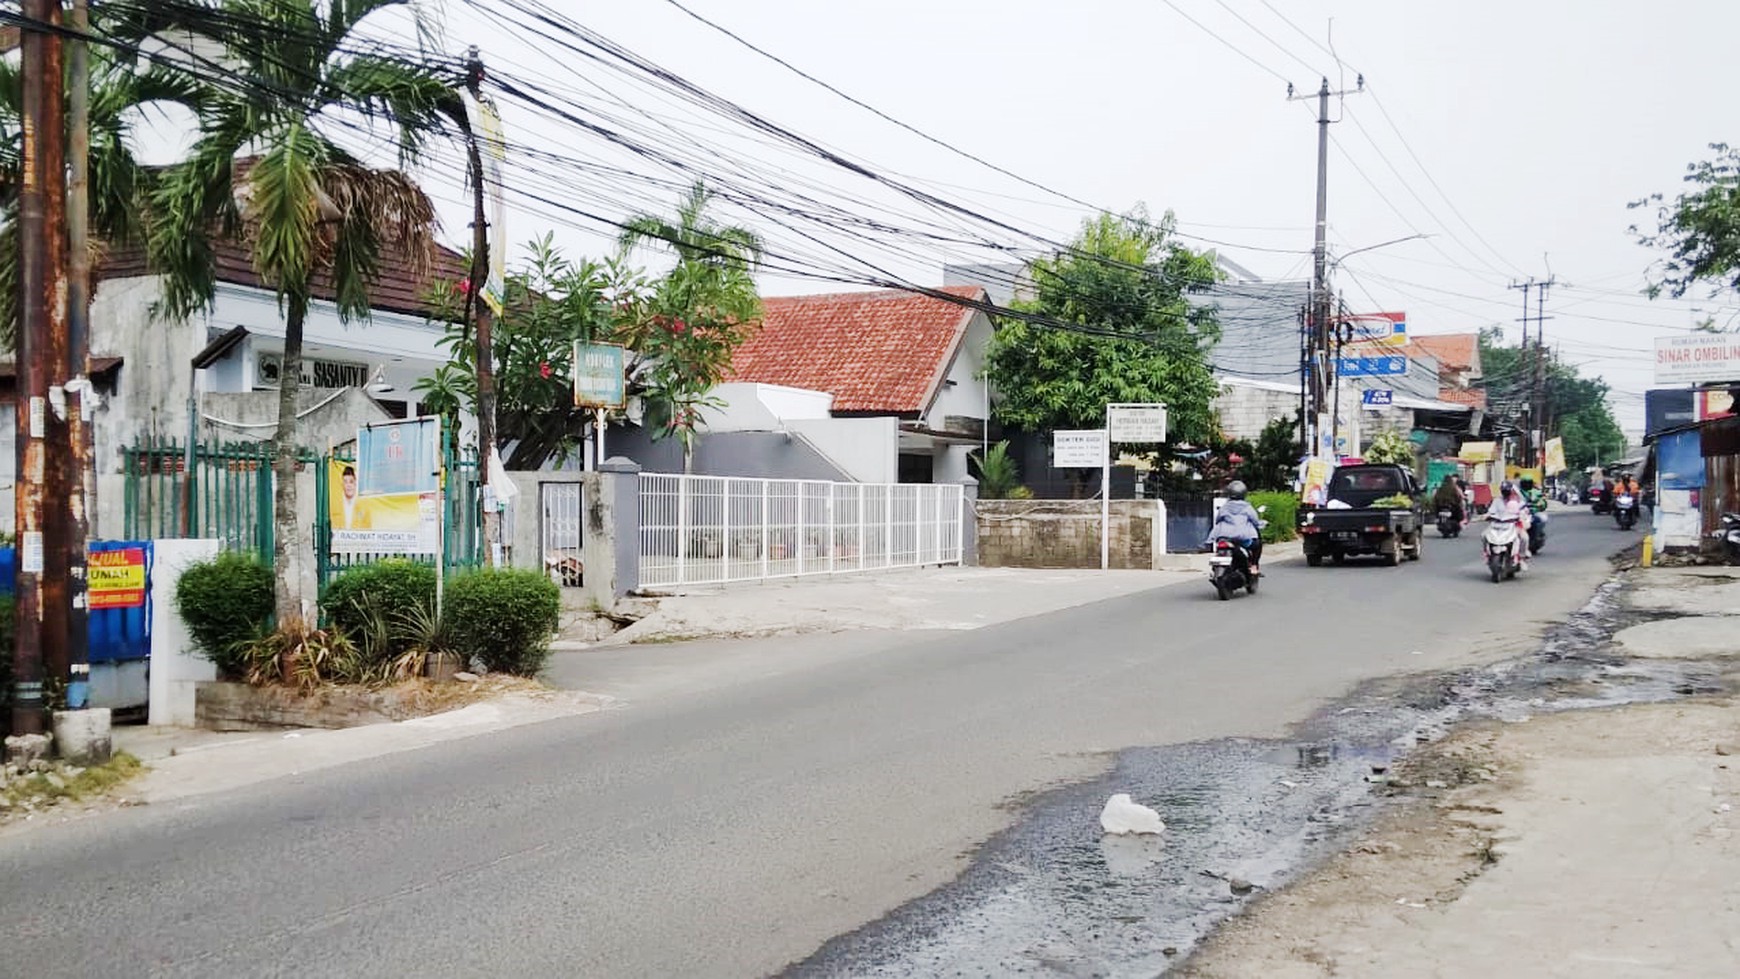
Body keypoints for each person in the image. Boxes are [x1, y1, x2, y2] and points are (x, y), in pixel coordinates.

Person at [1205, 480, 1267, 574]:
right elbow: (1255, 521)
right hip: (1243, 538)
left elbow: (1218, 519)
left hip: (1225, 537)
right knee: (1257, 545)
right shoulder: (1247, 507)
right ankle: (1254, 565)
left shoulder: (1225, 507)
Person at [1487, 479, 1533, 570]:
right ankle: (1488, 554)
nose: (1506, 493)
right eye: (1504, 491)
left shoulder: (1518, 501)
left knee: (1524, 537)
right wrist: (1487, 516)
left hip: (1513, 525)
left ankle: (1521, 558)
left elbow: (1524, 512)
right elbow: (1491, 512)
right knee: (1484, 535)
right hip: (1498, 526)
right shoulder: (1497, 500)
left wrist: (1523, 517)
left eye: (1507, 491)